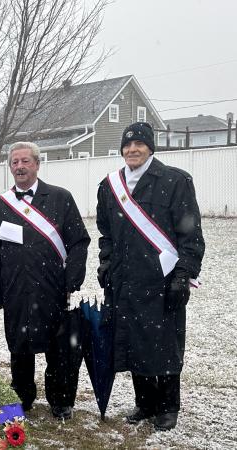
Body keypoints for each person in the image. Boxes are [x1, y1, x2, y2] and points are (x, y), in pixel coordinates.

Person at [96, 122, 205, 431]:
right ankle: (146, 403)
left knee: (165, 344)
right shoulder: (110, 186)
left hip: (162, 280)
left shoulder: (175, 181)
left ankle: (168, 407)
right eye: (127, 145)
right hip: (125, 280)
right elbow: (106, 233)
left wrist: (183, 274)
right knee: (132, 343)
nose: (133, 150)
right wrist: (106, 263)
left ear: (150, 148)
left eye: (139, 144)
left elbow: (191, 235)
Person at [0, 142, 90, 420]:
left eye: (25, 161)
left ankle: (60, 399)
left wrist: (71, 280)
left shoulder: (60, 198)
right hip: (16, 290)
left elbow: (79, 241)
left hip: (52, 288)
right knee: (19, 348)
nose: (19, 167)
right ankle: (22, 396)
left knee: (57, 348)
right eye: (14, 163)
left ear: (37, 164)